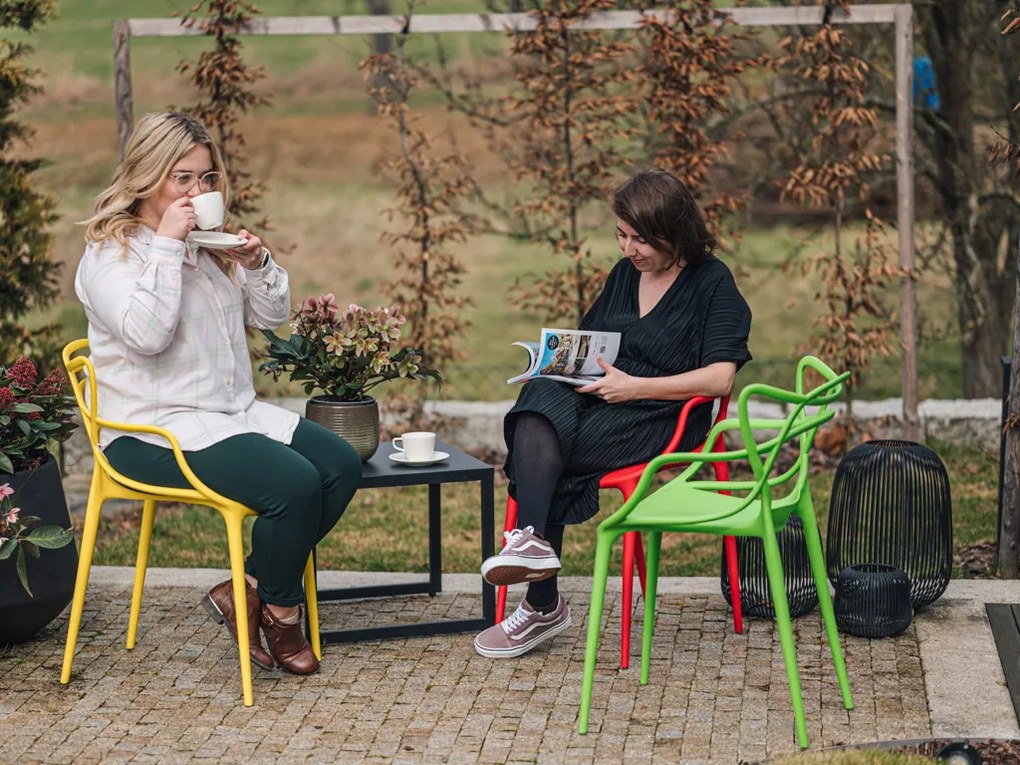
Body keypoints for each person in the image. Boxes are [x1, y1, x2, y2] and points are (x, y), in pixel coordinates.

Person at [75, 111, 363, 675]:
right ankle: (282, 612)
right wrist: (166, 245)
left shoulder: (205, 246)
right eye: (181, 178)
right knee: (293, 483)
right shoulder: (111, 255)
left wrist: (256, 263)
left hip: (229, 412)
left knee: (339, 463)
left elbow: (272, 316)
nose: (198, 191)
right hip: (149, 429)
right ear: (146, 175)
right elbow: (147, 336)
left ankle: (246, 588)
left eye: (207, 179)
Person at [474, 168, 752, 658]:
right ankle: (535, 553)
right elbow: (591, 342)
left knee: (544, 449)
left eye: (641, 239)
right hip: (603, 396)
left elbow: (719, 380)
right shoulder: (626, 275)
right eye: (621, 236)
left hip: (665, 414)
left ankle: (540, 597)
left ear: (676, 231)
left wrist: (634, 386)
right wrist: (559, 362)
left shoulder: (714, 283)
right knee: (540, 399)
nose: (629, 250)